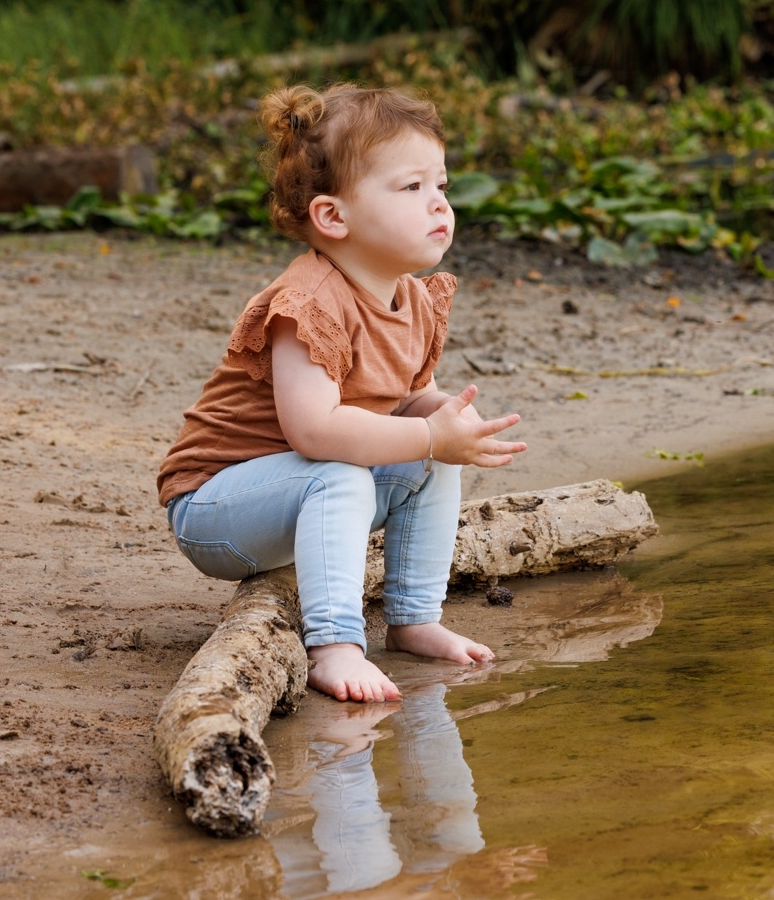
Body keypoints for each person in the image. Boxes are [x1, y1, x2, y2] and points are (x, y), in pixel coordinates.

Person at [156, 83, 527, 702]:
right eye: (411, 188)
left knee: (426, 459)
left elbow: (411, 402)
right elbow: (316, 432)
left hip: (299, 493)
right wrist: (429, 432)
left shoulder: (410, 296)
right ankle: (333, 645)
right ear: (333, 216)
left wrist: (450, 423)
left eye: (441, 186)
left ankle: (413, 619)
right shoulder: (309, 303)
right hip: (218, 505)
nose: (438, 204)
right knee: (344, 472)